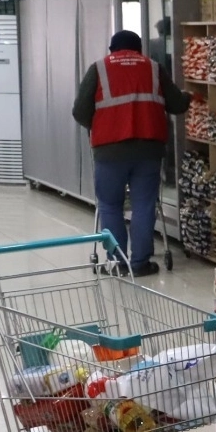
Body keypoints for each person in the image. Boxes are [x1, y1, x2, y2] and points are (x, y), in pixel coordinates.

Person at [72, 30, 190, 276]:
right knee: (144, 205)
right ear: (139, 49)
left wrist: (101, 124)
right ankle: (140, 264)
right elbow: (177, 105)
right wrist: (188, 96)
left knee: (110, 205)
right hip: (148, 149)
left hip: (109, 151)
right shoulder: (154, 68)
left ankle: (117, 263)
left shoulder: (99, 68)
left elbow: (80, 111)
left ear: (112, 49)